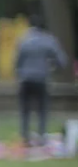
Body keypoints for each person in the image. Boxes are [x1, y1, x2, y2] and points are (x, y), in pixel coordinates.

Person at [14, 14, 70, 145]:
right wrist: (53, 68)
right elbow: (62, 61)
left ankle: (25, 136)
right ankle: (41, 136)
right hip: (41, 78)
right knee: (42, 109)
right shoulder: (49, 40)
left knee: (25, 109)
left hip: (25, 79)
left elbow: (17, 62)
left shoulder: (23, 39)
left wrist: (20, 73)